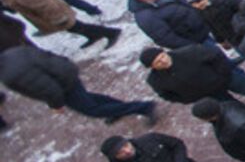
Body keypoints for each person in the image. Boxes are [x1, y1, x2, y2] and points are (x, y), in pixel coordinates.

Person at [0, 43, 155, 124]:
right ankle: (118, 110)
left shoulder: (10, 75)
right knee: (90, 99)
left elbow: (48, 88)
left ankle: (143, 107)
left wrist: (56, 105)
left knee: (92, 109)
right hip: (65, 72)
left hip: (63, 85)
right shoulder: (13, 53)